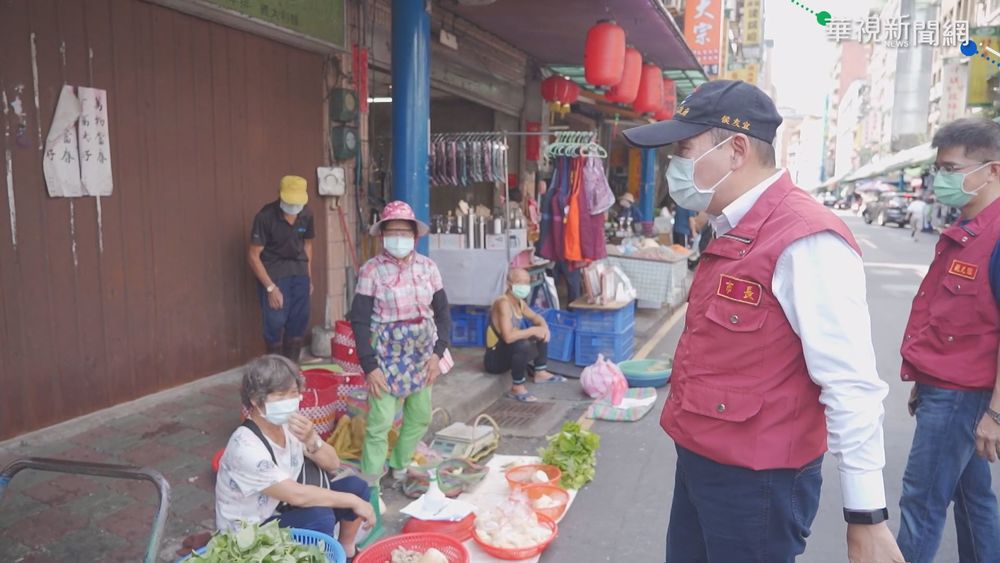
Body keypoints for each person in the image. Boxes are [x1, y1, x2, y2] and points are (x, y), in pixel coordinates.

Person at [622, 80, 903, 563]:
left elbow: (850, 383)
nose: (676, 166)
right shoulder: (730, 226)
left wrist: (866, 517)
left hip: (757, 484)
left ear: (734, 150)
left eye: (684, 150)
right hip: (700, 462)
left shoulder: (805, 239)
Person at [897, 117, 1000, 563]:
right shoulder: (967, 230)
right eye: (938, 168)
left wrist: (995, 412)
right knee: (974, 500)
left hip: (963, 397)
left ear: (993, 170)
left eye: (952, 169)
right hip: (946, 387)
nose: (941, 179)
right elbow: (947, 316)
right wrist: (923, 377)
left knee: (920, 504)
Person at [215, 355, 375, 561]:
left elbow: (333, 464)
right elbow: (296, 495)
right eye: (280, 395)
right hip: (248, 535)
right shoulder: (245, 447)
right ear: (256, 400)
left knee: (356, 486)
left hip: (279, 509)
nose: (289, 402)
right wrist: (351, 502)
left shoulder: (289, 425)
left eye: (293, 394)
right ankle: (320, 557)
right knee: (320, 516)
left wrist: (312, 440)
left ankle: (346, 552)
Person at [348, 201, 451, 483]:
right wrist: (370, 366)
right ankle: (370, 485)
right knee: (379, 423)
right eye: (392, 232)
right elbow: (359, 320)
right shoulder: (371, 271)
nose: (398, 238)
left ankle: (400, 463)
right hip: (385, 355)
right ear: (382, 236)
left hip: (422, 353)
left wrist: (437, 353)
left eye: (404, 233)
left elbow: (442, 313)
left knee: (419, 416)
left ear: (415, 236)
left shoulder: (428, 268)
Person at [248, 176, 315, 361]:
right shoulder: (265, 217)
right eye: (289, 201)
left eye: (297, 202)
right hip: (274, 273)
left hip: (299, 271)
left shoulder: (307, 214)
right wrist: (270, 288)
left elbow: (308, 245)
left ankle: (291, 370)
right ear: (280, 195)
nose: (294, 206)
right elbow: (253, 255)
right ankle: (275, 371)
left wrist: (308, 277)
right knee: (275, 322)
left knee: (299, 321)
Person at [485, 268, 565, 403]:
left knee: (539, 331)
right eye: (520, 282)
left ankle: (540, 372)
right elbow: (508, 337)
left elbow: (536, 317)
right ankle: (517, 387)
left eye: (527, 282)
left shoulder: (519, 303)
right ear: (509, 284)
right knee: (523, 343)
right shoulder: (503, 303)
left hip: (508, 351)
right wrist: (533, 331)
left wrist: (543, 328)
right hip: (494, 360)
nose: (524, 286)